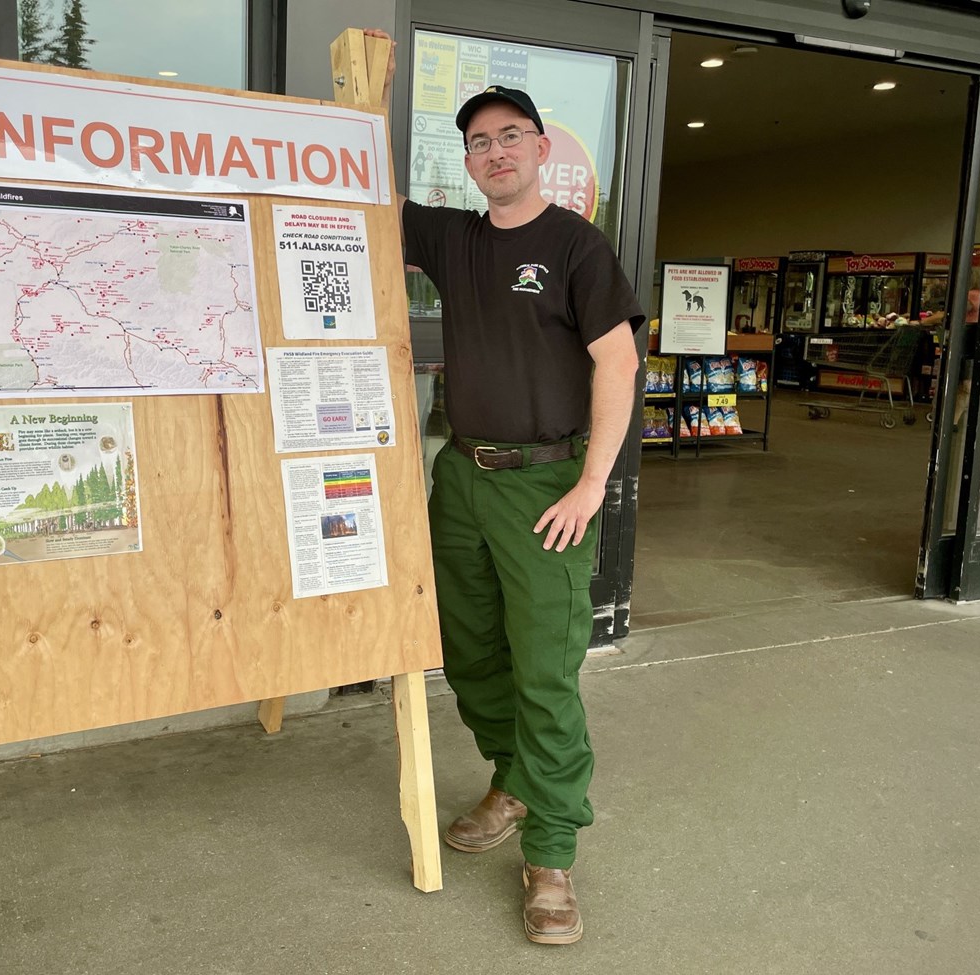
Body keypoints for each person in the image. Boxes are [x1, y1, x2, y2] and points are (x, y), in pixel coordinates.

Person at [365, 29, 644, 945]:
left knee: (546, 671)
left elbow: (618, 361)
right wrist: (368, 90)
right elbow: (358, 189)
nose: (493, 153)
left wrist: (592, 484)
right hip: (463, 476)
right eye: (477, 144)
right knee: (471, 649)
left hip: (547, 484)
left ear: (538, 148)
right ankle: (513, 778)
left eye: (508, 137)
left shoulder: (576, 246)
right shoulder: (453, 237)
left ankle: (553, 851)